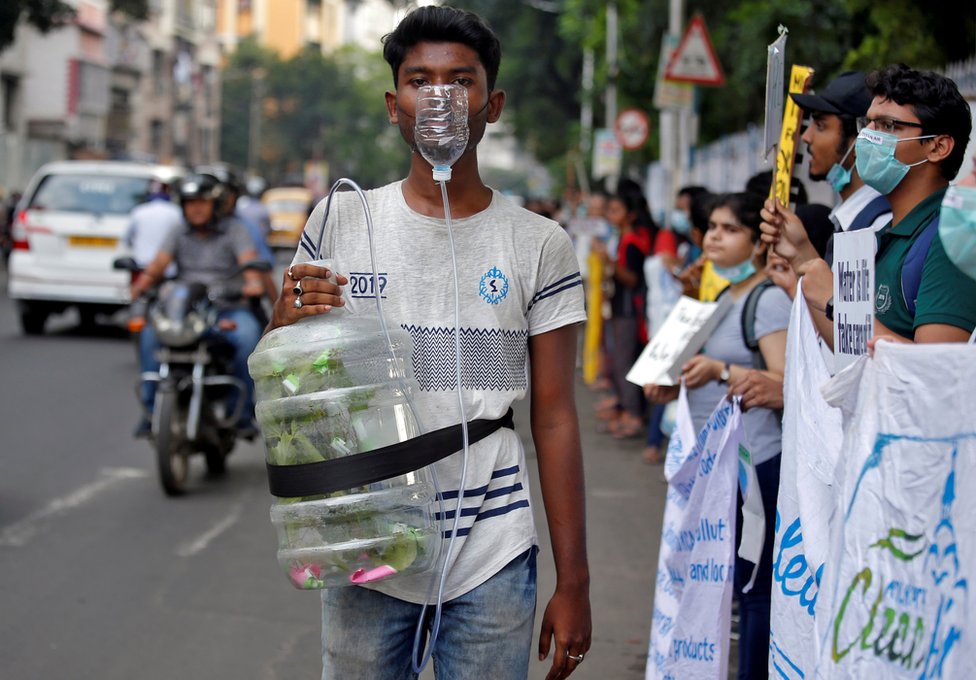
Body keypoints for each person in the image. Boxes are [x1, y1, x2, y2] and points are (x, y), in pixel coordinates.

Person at [264, 7, 591, 679]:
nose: (440, 98)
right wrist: (284, 316)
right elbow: (291, 372)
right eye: (420, 81)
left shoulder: (539, 243)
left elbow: (554, 415)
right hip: (372, 543)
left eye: (461, 81)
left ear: (491, 104)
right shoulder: (341, 218)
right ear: (394, 104)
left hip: (493, 548)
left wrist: (575, 580)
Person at [646, 192, 791, 680]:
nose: (713, 237)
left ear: (756, 244)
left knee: (752, 589)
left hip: (755, 465)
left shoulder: (766, 299)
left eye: (729, 229)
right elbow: (696, 374)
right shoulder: (716, 297)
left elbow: (786, 382)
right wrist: (674, 386)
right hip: (714, 470)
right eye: (711, 227)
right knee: (718, 583)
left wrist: (720, 370)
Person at [761, 64, 976, 346]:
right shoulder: (879, 236)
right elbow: (848, 349)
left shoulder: (950, 238)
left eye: (888, 126)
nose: (868, 137)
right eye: (868, 124)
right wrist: (800, 254)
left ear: (937, 147)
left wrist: (835, 300)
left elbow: (934, 371)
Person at [130, 174, 272, 437]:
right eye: (190, 202)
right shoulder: (177, 232)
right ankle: (151, 414)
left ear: (215, 204)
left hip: (227, 308)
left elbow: (250, 264)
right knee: (149, 335)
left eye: (202, 202)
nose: (196, 208)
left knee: (248, 337)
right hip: (185, 309)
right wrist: (143, 284)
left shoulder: (235, 230)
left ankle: (238, 415)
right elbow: (159, 264)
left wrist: (252, 282)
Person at [594, 192, 651, 440]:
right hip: (619, 308)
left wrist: (608, 261)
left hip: (628, 311)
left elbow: (632, 278)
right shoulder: (622, 239)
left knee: (624, 363)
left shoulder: (632, 242)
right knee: (618, 362)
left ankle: (633, 415)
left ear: (630, 214)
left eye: (616, 210)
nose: (611, 215)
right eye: (610, 210)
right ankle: (625, 409)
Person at [124, 180, 183, 278]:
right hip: (167, 270)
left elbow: (127, 240)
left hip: (143, 267)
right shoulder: (176, 212)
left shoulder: (139, 211)